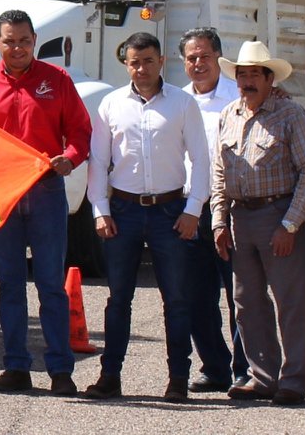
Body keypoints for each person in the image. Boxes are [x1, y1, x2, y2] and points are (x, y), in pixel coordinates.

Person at [0, 10, 91, 395]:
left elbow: (82, 132)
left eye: (23, 40)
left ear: (34, 40)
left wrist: (70, 157)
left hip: (46, 193)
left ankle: (60, 371)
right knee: (10, 286)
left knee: (51, 285)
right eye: (9, 40)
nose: (16, 48)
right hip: (2, 197)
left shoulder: (58, 81)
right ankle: (16, 367)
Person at [83, 32, 209, 402]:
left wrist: (193, 209)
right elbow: (98, 162)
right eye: (135, 62)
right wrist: (100, 210)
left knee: (177, 298)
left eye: (149, 61)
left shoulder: (183, 104)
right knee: (118, 297)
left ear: (162, 62)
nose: (142, 69)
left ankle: (178, 379)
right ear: (127, 64)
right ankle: (110, 376)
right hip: (122, 211)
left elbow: (201, 159)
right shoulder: (110, 105)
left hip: (170, 211)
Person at [209, 40, 305, 406]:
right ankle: (262, 376)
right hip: (241, 217)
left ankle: (294, 380)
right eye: (242, 74)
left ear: (270, 78)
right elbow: (220, 173)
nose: (247, 80)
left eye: (255, 73)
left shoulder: (290, 114)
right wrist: (219, 221)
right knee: (247, 301)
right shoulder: (229, 114)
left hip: (278, 213)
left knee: (290, 301)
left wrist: (290, 225)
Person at [177, 28, 246, 392]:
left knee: (239, 293)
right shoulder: (177, 101)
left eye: (204, 56)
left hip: (230, 208)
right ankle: (215, 367)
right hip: (189, 208)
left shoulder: (239, 97)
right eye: (191, 58)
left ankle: (246, 369)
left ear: (219, 57)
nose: (198, 64)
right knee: (195, 295)